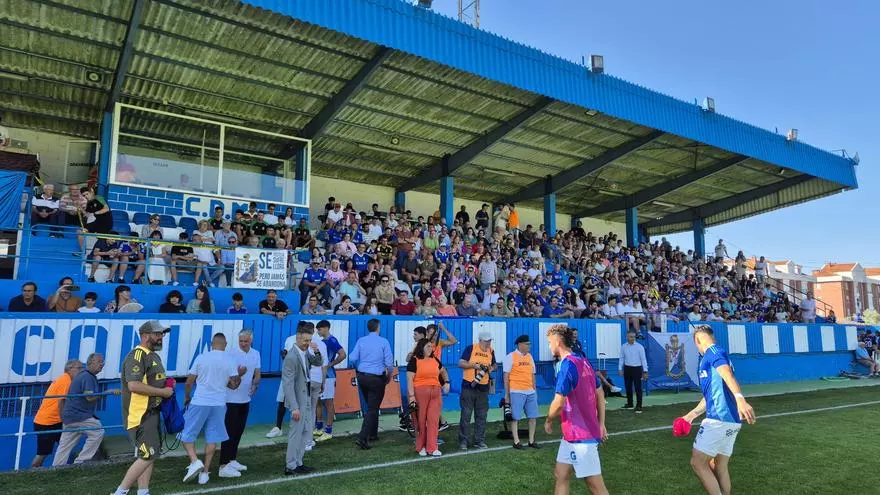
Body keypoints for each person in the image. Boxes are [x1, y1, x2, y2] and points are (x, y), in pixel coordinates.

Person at [679, 325, 756, 495]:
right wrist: (691, 415)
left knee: (698, 463)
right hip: (731, 421)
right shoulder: (714, 353)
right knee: (718, 465)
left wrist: (740, 399)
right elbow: (711, 395)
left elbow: (727, 374)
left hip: (719, 419)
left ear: (697, 341)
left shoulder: (713, 352)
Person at [111, 321, 175, 495]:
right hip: (140, 415)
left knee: (149, 455)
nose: (161, 337)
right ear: (146, 335)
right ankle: (121, 492)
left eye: (162, 334)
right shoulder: (137, 355)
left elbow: (154, 380)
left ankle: (143, 491)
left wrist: (168, 384)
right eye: (158, 334)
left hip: (151, 414)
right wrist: (163, 392)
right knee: (148, 454)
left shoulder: (153, 356)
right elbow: (133, 385)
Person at [544, 324, 609, 495]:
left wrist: (549, 419)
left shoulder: (567, 366)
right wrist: (601, 424)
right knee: (561, 474)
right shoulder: (584, 362)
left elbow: (558, 402)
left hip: (581, 434)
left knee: (595, 486)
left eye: (550, 342)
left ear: (557, 342)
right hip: (572, 434)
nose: (549, 346)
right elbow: (600, 393)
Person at [181, 333, 245, 485]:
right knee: (212, 437)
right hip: (219, 403)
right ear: (226, 344)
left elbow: (189, 382)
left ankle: (195, 461)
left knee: (186, 434)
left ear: (211, 344)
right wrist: (240, 375)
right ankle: (204, 473)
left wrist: (187, 397)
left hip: (200, 401)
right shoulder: (229, 360)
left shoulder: (201, 357)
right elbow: (233, 386)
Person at [54, 353, 118, 466]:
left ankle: (56, 467)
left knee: (65, 445)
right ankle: (81, 462)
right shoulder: (87, 376)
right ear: (90, 362)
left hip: (69, 417)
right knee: (98, 431)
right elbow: (89, 397)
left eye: (103, 362)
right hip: (79, 416)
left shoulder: (84, 375)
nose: (102, 364)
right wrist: (107, 392)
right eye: (99, 362)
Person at [219, 330, 261, 477]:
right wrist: (240, 374)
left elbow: (257, 372)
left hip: (245, 399)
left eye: (246, 341)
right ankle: (223, 465)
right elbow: (226, 377)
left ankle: (232, 459)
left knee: (239, 431)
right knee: (229, 432)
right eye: (241, 341)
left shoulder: (255, 353)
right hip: (231, 400)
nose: (243, 344)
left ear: (251, 341)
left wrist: (255, 384)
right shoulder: (230, 353)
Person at [283, 322, 323, 475]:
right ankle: (290, 465)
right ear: (298, 338)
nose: (308, 343)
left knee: (306, 431)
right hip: (298, 401)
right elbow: (288, 384)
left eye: (309, 340)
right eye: (305, 341)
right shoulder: (291, 357)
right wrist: (294, 407)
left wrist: (316, 351)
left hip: (305, 396)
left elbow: (318, 363)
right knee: (296, 433)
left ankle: (298, 462)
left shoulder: (305, 352)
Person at [349, 318, 393, 450]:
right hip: (376, 377)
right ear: (378, 327)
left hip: (362, 376)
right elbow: (389, 363)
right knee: (373, 408)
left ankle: (373, 433)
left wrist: (359, 367)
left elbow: (352, 358)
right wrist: (389, 376)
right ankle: (362, 437)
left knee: (371, 406)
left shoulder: (361, 340)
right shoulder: (383, 341)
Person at [31, 359, 82, 468]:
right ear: (70, 369)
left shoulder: (67, 379)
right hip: (46, 423)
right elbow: (62, 402)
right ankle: (31, 473)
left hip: (53, 421)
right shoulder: (65, 380)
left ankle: (66, 467)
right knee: (43, 453)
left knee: (67, 444)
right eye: (79, 368)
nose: (81, 370)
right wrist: (65, 420)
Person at [406, 338, 450, 457]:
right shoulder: (414, 361)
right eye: (428, 347)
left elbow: (443, 371)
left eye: (431, 346)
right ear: (421, 348)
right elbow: (409, 379)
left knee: (433, 421)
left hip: (435, 393)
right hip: (419, 393)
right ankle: (421, 447)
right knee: (420, 422)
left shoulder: (435, 359)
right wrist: (411, 396)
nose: (431, 349)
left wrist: (446, 382)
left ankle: (432, 447)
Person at [458, 331, 497, 451]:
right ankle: (463, 441)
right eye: (486, 341)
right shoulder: (470, 348)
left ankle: (479, 440)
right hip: (468, 386)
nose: (488, 343)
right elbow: (460, 363)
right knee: (466, 415)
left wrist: (491, 368)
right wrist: (473, 366)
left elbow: (495, 365)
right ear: (480, 340)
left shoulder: (491, 351)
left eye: (490, 341)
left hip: (483, 387)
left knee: (482, 416)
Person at [503, 335, 539, 449]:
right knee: (515, 417)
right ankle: (516, 441)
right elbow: (506, 377)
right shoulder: (510, 357)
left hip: (530, 391)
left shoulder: (530, 357)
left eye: (529, 344)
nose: (529, 346)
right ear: (520, 345)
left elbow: (533, 374)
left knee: (533, 417)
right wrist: (507, 394)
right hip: (516, 391)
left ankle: (531, 440)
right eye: (527, 344)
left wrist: (534, 390)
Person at [314, 320, 347, 441]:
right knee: (317, 401)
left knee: (328, 403)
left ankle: (328, 430)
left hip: (329, 375)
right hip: (320, 375)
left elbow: (343, 354)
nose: (318, 331)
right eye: (317, 329)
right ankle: (319, 428)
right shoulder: (322, 342)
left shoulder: (332, 340)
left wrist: (331, 364)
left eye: (320, 329)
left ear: (326, 328)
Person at [619, 331, 648, 413]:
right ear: (627, 337)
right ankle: (630, 404)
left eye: (633, 337)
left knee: (638, 388)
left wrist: (645, 371)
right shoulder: (623, 346)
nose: (632, 338)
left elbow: (643, 359)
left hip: (637, 369)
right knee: (628, 387)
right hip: (627, 368)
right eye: (630, 337)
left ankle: (639, 406)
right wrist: (620, 368)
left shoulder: (640, 347)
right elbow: (621, 357)